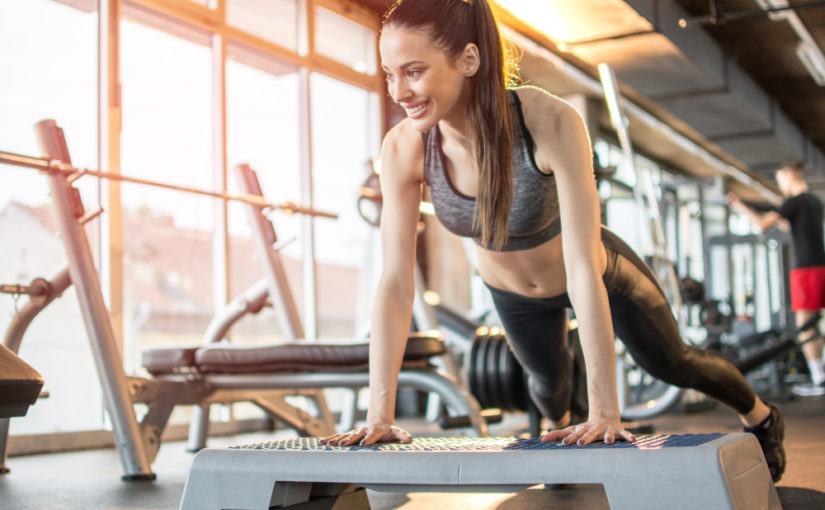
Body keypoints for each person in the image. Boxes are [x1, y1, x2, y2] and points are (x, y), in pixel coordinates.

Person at [321, 0, 786, 481]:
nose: (399, 91)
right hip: (513, 295)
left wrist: (607, 411)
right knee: (547, 385)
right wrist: (380, 416)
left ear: (469, 60)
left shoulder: (549, 120)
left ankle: (762, 416)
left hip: (597, 272)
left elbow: (583, 265)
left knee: (674, 364)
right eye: (389, 74)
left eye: (413, 71)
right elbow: (396, 282)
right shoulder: (405, 147)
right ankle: (563, 447)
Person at [729, 161, 825, 397]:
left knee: (805, 325)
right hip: (820, 266)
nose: (780, 185)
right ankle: (820, 374)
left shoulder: (794, 201)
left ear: (790, 177)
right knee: (814, 325)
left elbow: (763, 225)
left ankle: (819, 378)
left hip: (805, 270)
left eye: (781, 180)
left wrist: (740, 207)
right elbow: (788, 225)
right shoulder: (814, 201)